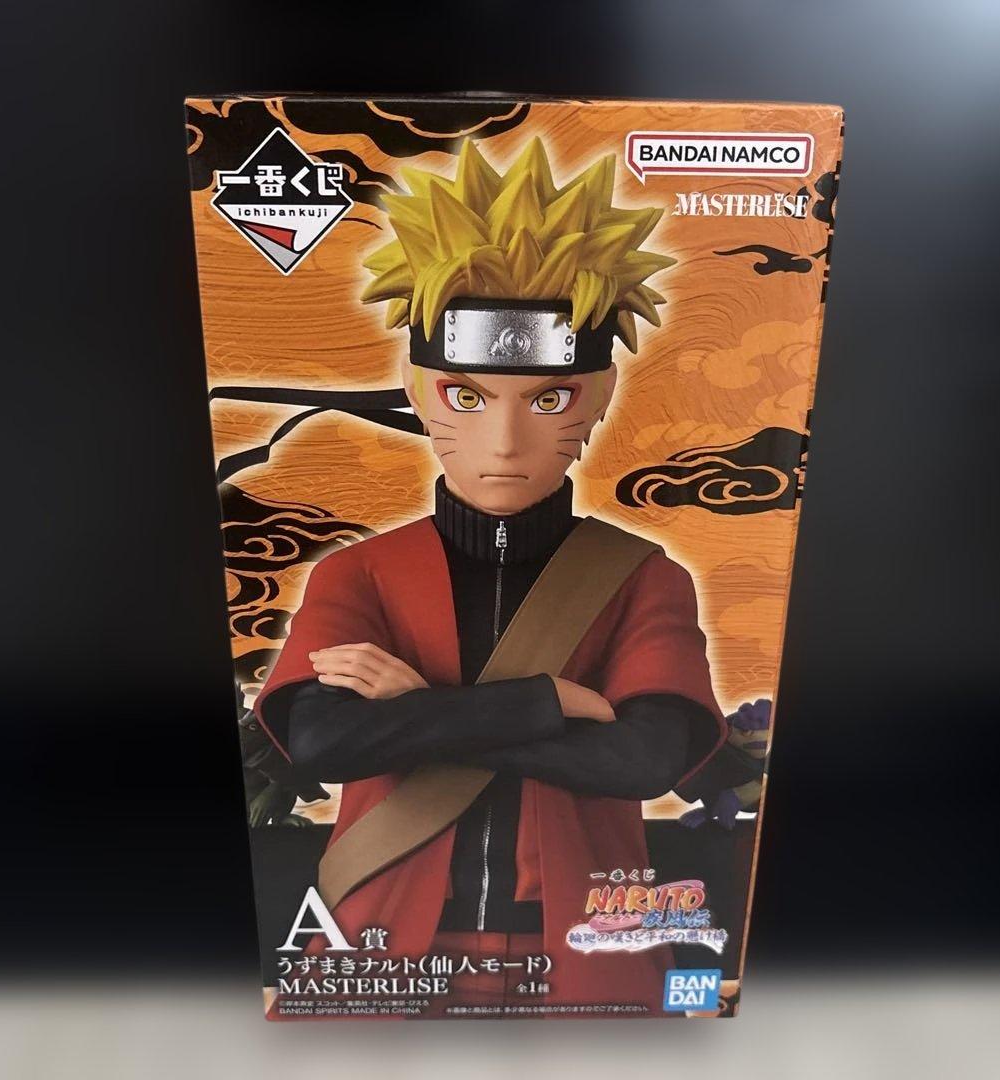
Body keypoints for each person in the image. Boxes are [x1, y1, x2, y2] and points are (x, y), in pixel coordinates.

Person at [253, 138, 726, 1014]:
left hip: (585, 954)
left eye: (549, 399)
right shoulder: (360, 572)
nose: (504, 442)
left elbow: (643, 757)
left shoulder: (641, 577)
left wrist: (417, 709)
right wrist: (547, 703)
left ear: (600, 393)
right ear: (417, 387)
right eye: (466, 397)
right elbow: (323, 744)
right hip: (378, 943)